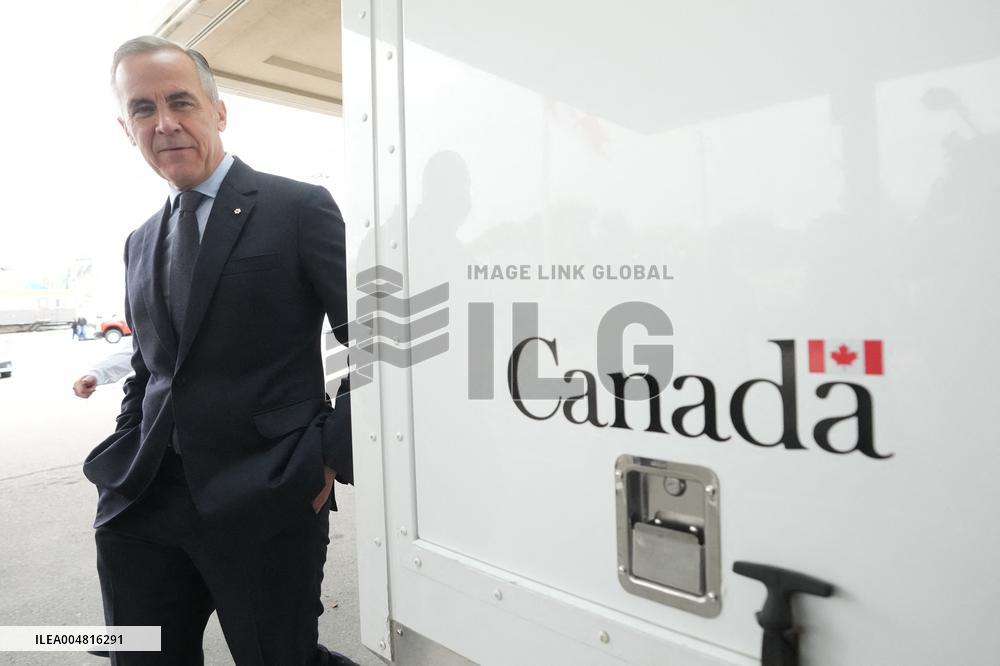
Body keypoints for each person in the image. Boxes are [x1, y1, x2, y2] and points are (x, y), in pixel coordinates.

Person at [83, 36, 355, 665]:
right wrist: (126, 447)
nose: (166, 122)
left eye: (181, 101)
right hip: (146, 502)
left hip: (265, 494)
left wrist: (326, 456)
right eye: (144, 109)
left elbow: (375, 342)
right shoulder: (140, 240)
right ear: (127, 128)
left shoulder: (296, 208)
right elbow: (152, 367)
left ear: (218, 110)